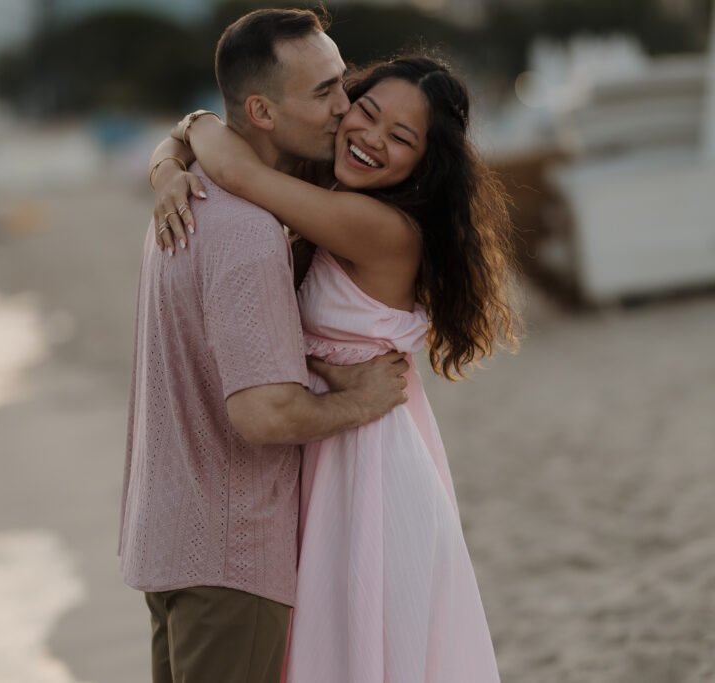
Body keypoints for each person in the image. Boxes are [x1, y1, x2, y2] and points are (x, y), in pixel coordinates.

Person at [152, 54, 521, 682]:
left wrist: (188, 133)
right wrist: (167, 164)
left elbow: (236, 167)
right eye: (367, 113)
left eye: (400, 138)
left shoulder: (380, 227)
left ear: (423, 164)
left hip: (368, 465)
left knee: (359, 646)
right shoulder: (334, 192)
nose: (372, 139)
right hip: (332, 445)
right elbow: (203, 141)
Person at [119, 9, 412, 683]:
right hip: (230, 558)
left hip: (168, 544)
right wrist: (362, 400)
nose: (346, 107)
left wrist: (174, 149)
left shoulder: (184, 202)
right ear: (261, 111)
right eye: (323, 92)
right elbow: (264, 414)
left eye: (343, 84)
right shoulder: (248, 232)